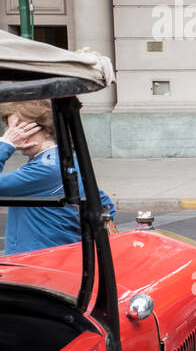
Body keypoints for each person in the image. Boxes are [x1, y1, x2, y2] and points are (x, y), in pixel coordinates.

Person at [0, 100, 117, 255]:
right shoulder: (63, 160)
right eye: (10, 130)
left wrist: (6, 145)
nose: (14, 135)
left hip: (36, 263)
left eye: (21, 129)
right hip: (55, 257)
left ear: (47, 129)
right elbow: (101, 200)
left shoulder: (46, 168)